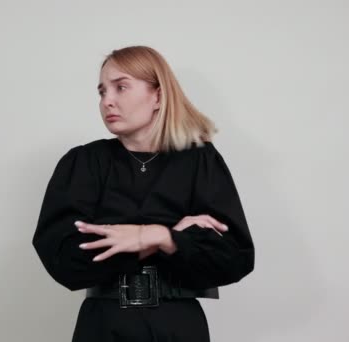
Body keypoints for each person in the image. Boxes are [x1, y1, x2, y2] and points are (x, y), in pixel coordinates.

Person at [32, 45, 255, 342]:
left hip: (178, 326)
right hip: (103, 326)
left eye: (121, 87)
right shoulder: (84, 163)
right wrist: (158, 237)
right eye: (102, 92)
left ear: (158, 96)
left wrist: (160, 237)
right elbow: (64, 259)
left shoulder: (199, 160)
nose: (107, 101)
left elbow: (234, 257)